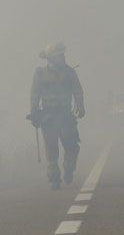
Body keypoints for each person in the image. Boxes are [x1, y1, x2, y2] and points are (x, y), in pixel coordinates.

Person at [29, 43, 85, 189]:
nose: (63, 57)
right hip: (49, 116)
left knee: (71, 146)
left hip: (66, 115)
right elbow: (34, 94)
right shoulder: (39, 73)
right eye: (59, 55)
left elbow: (78, 91)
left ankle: (68, 168)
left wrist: (81, 107)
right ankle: (54, 178)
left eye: (63, 54)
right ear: (51, 58)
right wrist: (34, 112)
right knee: (51, 148)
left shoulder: (70, 72)